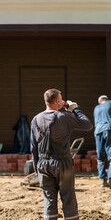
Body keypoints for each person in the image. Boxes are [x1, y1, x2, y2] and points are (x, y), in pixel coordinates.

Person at [30, 89, 93, 220]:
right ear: (58, 101)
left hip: (43, 165)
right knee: (68, 198)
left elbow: (33, 147)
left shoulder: (36, 119)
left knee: (49, 201)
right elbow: (88, 125)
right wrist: (74, 109)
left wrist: (36, 169)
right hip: (63, 163)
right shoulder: (64, 117)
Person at [93, 95, 111, 189]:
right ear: (106, 100)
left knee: (100, 157)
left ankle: (103, 180)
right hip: (109, 129)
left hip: (98, 132)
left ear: (99, 101)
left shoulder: (96, 108)